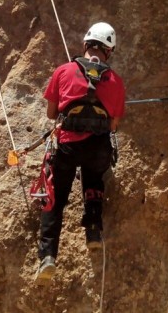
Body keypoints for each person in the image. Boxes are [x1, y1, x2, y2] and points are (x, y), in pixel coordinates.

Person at [35, 22, 126, 283]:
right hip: (97, 147)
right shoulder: (116, 82)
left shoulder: (63, 71)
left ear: (86, 45)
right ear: (109, 50)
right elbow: (113, 124)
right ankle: (94, 232)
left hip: (67, 145)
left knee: (55, 198)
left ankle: (48, 257)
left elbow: (52, 113)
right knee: (94, 179)